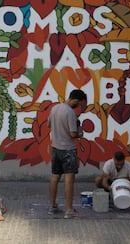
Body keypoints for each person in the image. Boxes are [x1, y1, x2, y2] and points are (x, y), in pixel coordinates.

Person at [47, 89, 87, 219]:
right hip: (68, 150)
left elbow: (48, 124)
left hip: (55, 148)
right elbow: (73, 134)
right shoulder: (70, 113)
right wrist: (80, 133)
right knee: (69, 180)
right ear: (76, 100)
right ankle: (69, 210)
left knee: (55, 177)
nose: (79, 107)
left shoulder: (55, 108)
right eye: (80, 104)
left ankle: (52, 206)